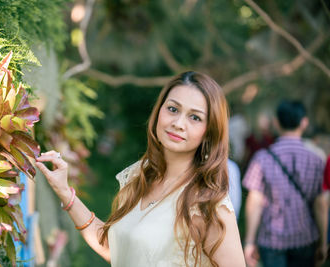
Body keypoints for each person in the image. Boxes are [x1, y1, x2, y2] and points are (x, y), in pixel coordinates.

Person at [36, 71, 245, 267]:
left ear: (209, 132)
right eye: (173, 109)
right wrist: (64, 191)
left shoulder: (207, 204)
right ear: (159, 111)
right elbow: (115, 248)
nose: (179, 123)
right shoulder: (139, 176)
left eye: (195, 117)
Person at [243, 100, 327, 267]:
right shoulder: (316, 160)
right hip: (306, 238)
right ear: (304, 122)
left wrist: (250, 241)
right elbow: (320, 204)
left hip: (271, 241)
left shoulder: (262, 158)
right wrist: (324, 242)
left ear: (276, 122)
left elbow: (255, 201)